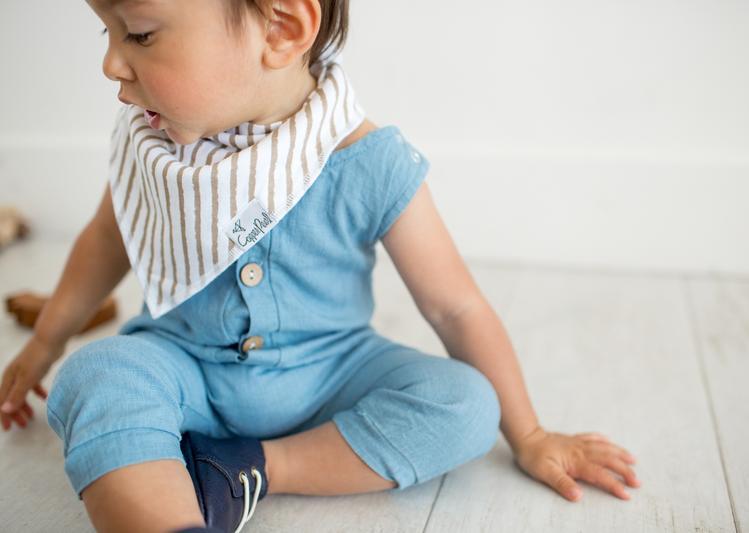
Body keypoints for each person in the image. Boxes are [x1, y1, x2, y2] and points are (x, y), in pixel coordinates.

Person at [0, 0, 641, 531]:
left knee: (468, 405)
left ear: (281, 29)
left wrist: (526, 433)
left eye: (138, 33)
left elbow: (456, 306)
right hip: (181, 366)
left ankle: (252, 467)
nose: (111, 63)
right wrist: (47, 343)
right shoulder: (156, 150)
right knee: (97, 374)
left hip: (332, 373)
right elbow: (107, 239)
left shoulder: (366, 160)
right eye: (106, 32)